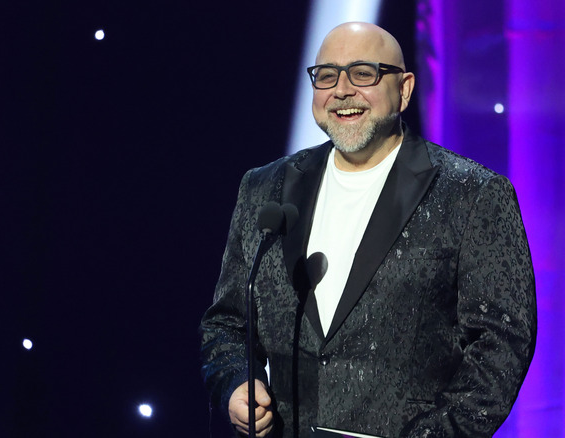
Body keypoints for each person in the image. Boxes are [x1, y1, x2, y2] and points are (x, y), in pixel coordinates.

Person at [200, 22, 536, 438]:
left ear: (405, 89)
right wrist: (236, 382)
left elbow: (501, 344)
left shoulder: (473, 194)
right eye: (326, 75)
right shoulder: (263, 188)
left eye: (363, 73)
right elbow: (227, 325)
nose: (341, 90)